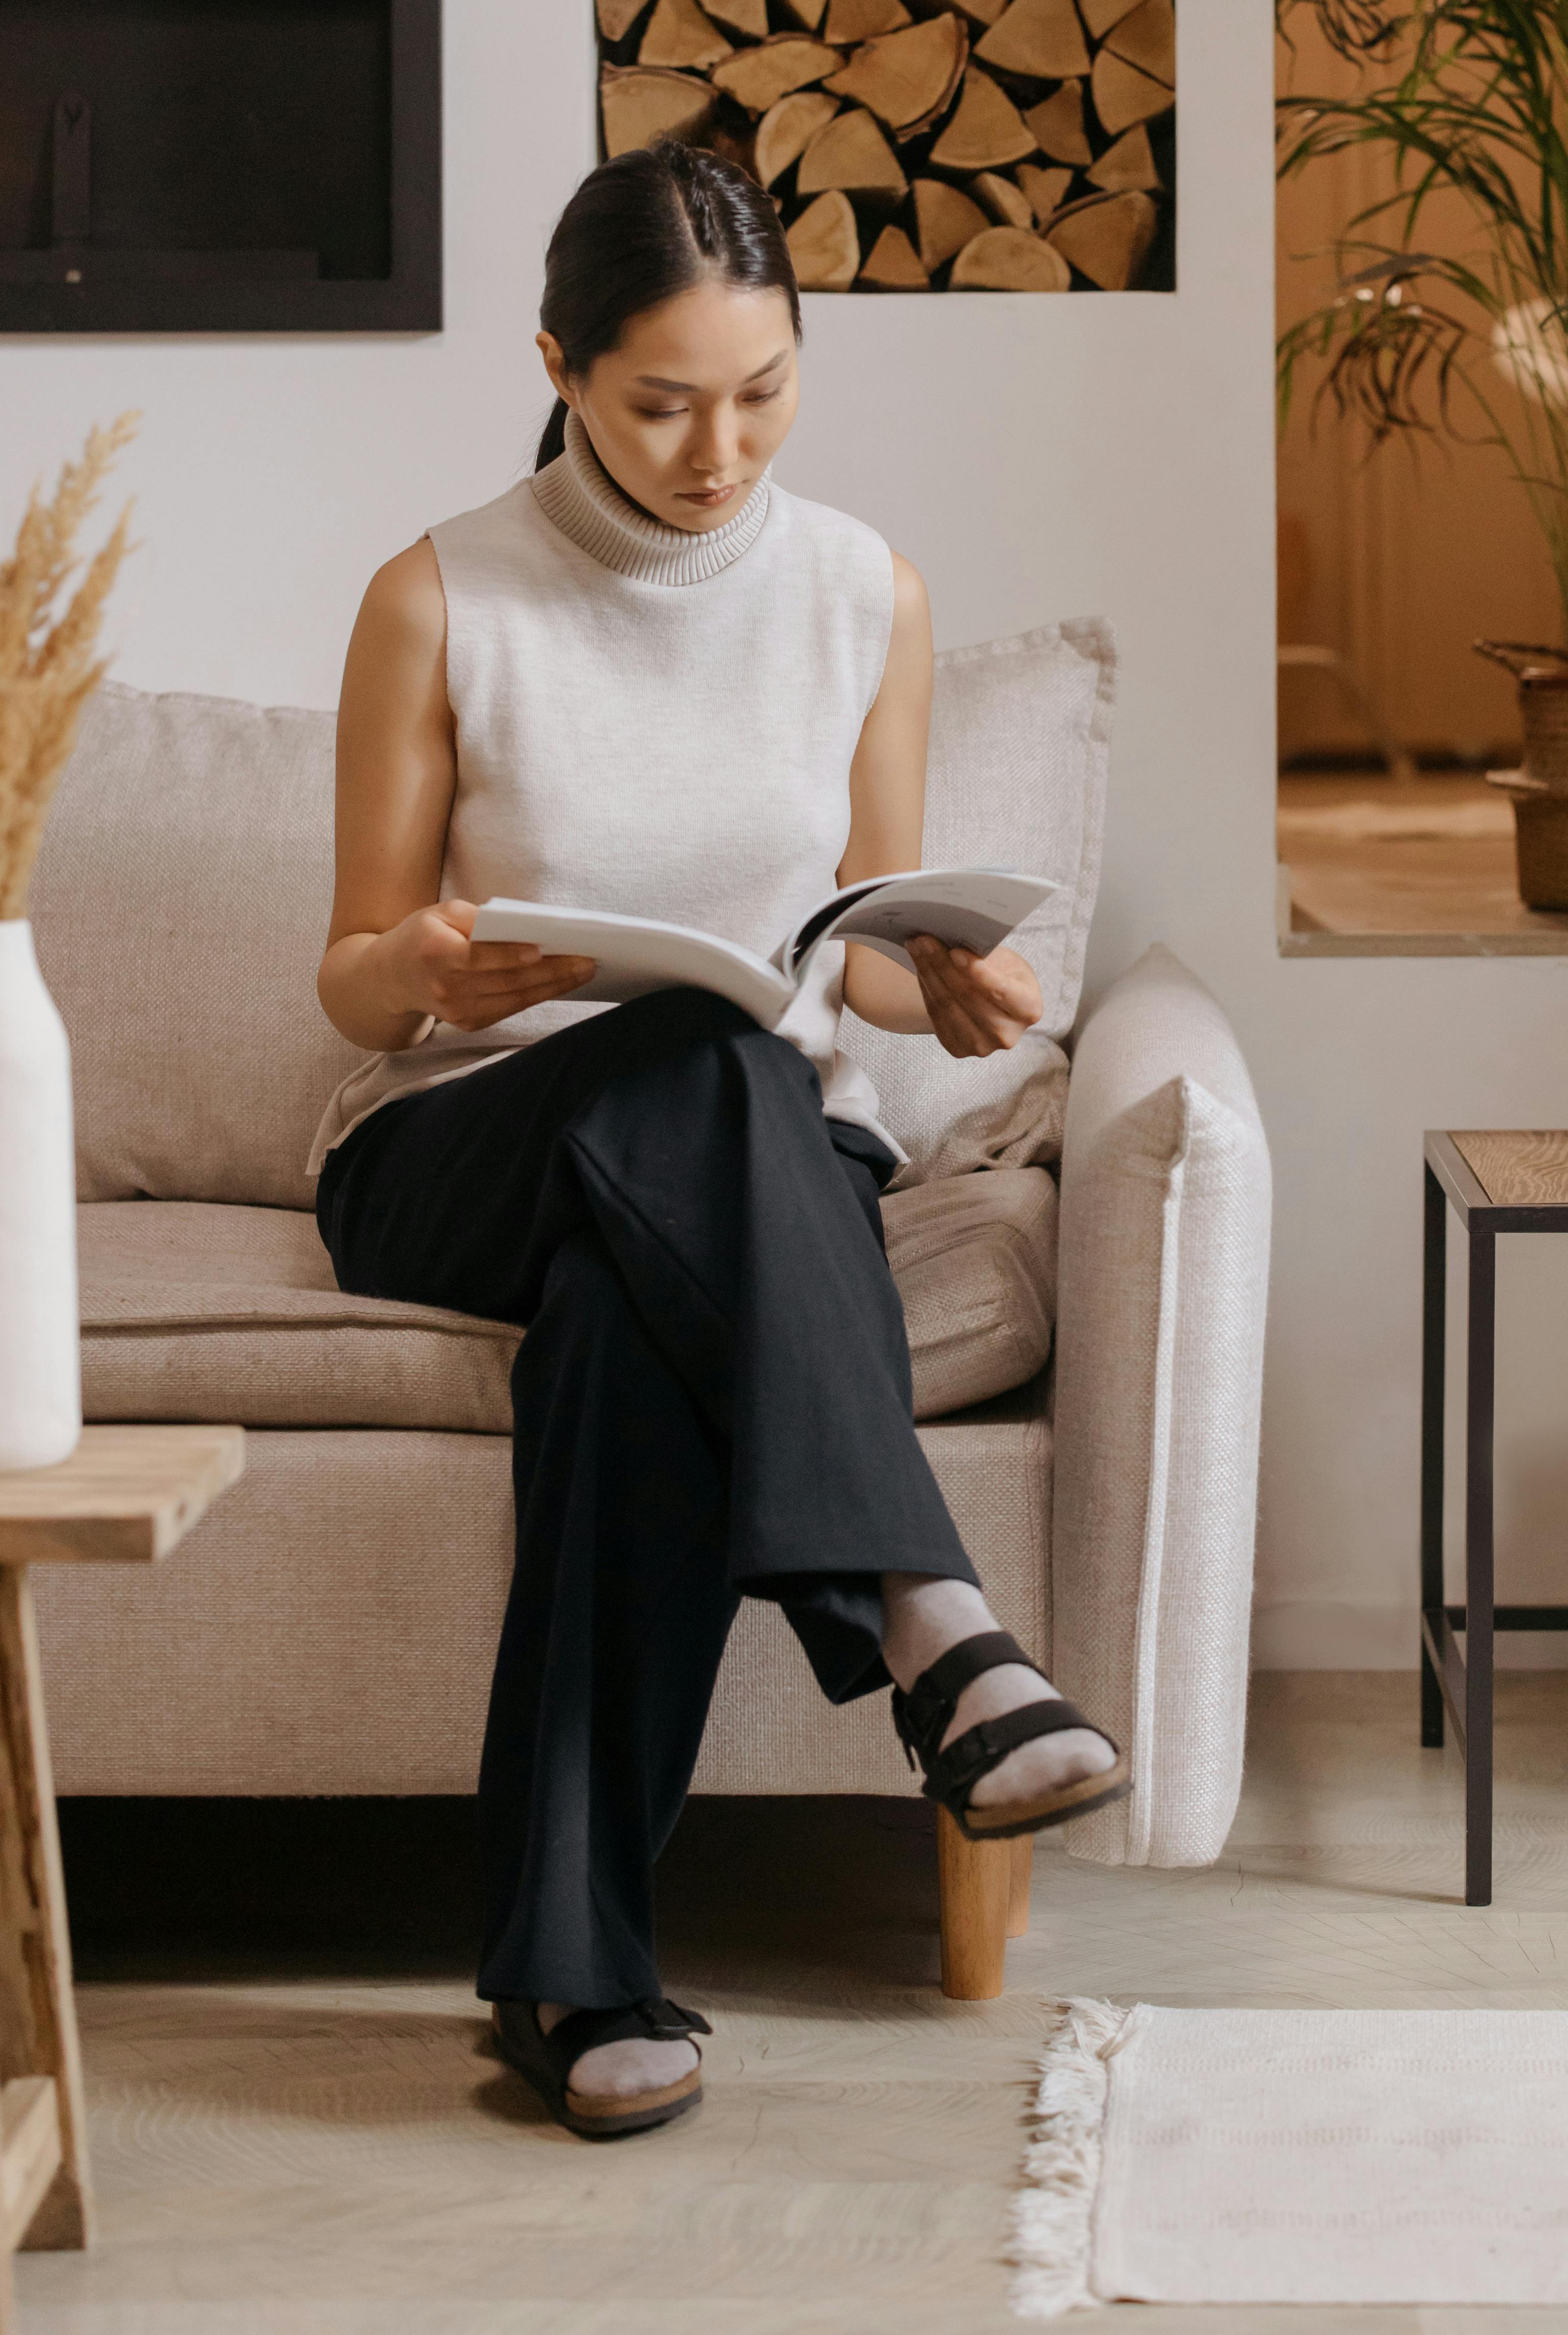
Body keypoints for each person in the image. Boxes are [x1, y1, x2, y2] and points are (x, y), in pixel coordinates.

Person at [312, 136, 1124, 2140]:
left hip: (734, 1163)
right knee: (694, 1036)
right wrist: (429, 968)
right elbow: (346, 975)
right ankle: (930, 1621)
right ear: (561, 366)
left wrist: (932, 980)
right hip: (460, 1146)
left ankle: (573, 1976)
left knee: (634, 1298)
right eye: (663, 401)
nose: (715, 446)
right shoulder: (439, 593)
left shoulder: (862, 593)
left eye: (761, 393)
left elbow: (849, 939)